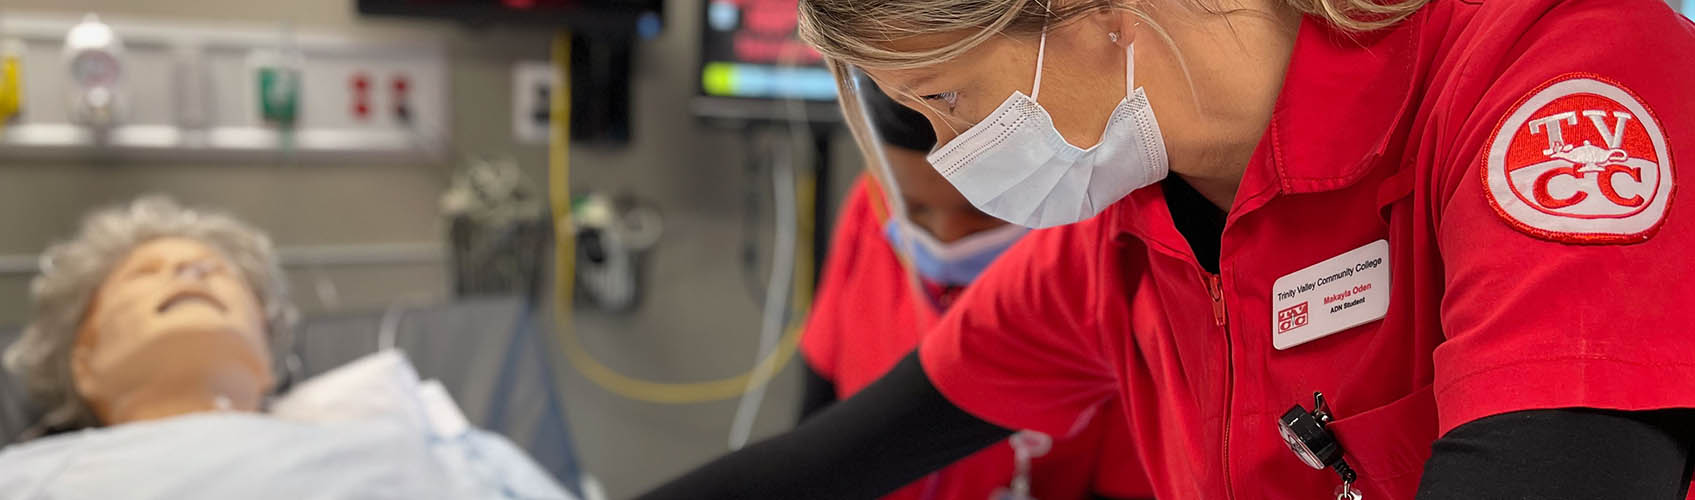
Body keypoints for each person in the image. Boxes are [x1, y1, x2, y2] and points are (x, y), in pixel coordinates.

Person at [640, 0, 1695, 498]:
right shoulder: (1133, 237)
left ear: (1100, 15)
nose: (953, 158)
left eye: (948, 101)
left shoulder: (1546, 73)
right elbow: (833, 459)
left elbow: (1563, 471)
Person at [0, 197, 573, 500]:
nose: (186, 271)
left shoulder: (432, 448)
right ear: (84, 359)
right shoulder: (22, 477)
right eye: (145, 273)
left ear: (268, 359)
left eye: (212, 269)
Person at [800, 79, 1153, 500]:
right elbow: (817, 418)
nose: (947, 235)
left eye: (982, 211)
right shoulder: (869, 210)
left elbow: (1133, 479)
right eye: (914, 208)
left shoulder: (1106, 264)